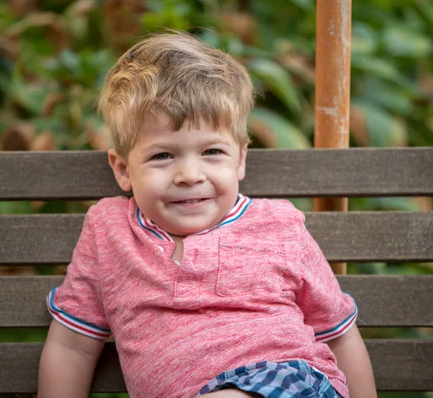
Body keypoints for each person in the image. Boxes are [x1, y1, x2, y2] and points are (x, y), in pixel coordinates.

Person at [38, 31, 376, 398]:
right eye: (162, 156)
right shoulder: (110, 232)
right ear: (122, 169)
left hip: (289, 382)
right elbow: (71, 346)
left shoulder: (279, 227)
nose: (190, 175)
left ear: (241, 158)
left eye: (212, 152)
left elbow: (339, 335)